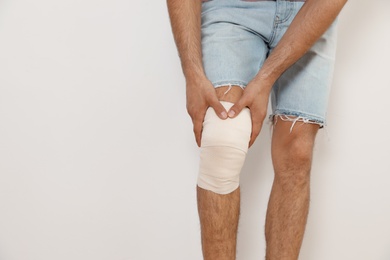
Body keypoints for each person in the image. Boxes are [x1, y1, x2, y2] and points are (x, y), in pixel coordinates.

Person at [167, 0, 347, 259]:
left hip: (310, 9)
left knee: (297, 152)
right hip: (232, 7)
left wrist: (265, 78)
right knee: (222, 138)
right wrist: (192, 72)